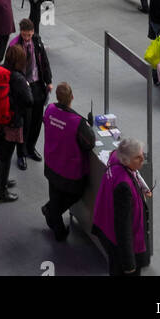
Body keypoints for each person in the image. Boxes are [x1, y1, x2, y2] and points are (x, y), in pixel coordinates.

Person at [41, 82, 96, 241]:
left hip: (51, 163)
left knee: (55, 193)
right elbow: (89, 143)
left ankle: (58, 228)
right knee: (76, 193)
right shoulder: (77, 122)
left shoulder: (50, 109)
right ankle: (51, 211)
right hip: (69, 170)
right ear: (72, 97)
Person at [92, 137, 151, 276]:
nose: (142, 160)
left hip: (106, 229)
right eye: (138, 158)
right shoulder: (124, 187)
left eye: (142, 155)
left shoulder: (115, 157)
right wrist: (129, 263)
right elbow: (123, 228)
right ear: (126, 161)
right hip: (121, 244)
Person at [8, 19, 52, 167]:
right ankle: (21, 153)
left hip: (37, 84)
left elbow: (44, 61)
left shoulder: (37, 41)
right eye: (24, 34)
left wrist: (49, 80)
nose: (27, 37)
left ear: (33, 32)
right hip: (22, 86)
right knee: (24, 122)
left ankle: (31, 148)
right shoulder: (14, 45)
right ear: (20, 32)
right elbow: (10, 67)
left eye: (29, 34)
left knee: (37, 120)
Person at [0, 44, 32, 203]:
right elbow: (29, 100)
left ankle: (1, 181)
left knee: (0, 152)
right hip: (12, 121)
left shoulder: (1, 69)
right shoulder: (18, 77)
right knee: (7, 155)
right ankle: (2, 192)